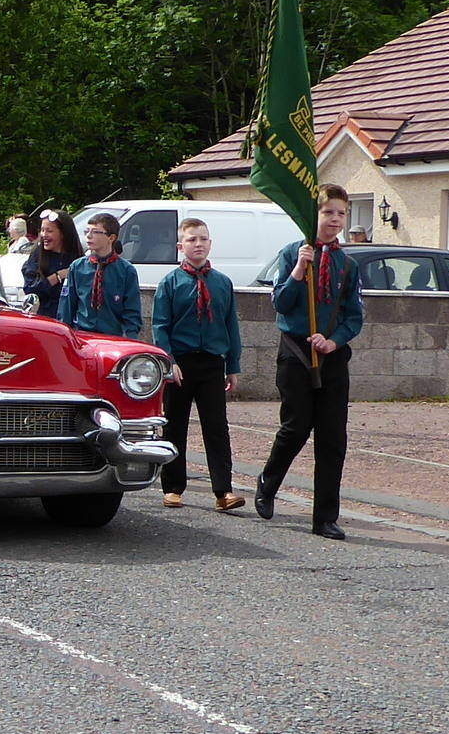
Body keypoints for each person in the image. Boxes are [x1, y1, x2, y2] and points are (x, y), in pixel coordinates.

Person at [255, 184, 366, 540]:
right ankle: (267, 483)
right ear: (312, 216)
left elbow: (354, 315)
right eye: (327, 212)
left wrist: (334, 341)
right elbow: (281, 304)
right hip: (297, 353)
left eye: (340, 213)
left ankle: (324, 517)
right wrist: (300, 269)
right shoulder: (292, 253)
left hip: (331, 356)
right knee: (296, 427)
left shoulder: (346, 264)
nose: (334, 220)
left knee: (333, 437)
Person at [152, 218, 244, 512]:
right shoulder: (170, 283)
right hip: (182, 363)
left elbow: (231, 325)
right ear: (181, 246)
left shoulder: (222, 283)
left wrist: (233, 364)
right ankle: (173, 487)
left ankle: (223, 491)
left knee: (217, 427)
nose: (198, 245)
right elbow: (160, 326)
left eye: (203, 239)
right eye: (192, 240)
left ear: (210, 244)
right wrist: (169, 361)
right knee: (175, 426)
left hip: (212, 363)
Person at [58, 212, 140, 337]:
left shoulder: (126, 270)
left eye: (95, 232)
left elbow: (132, 311)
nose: (89, 236)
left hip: (112, 337)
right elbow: (67, 307)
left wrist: (130, 338)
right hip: (82, 335)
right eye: (87, 231)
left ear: (111, 238)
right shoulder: (77, 267)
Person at [21, 210, 82, 319]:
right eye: (42, 230)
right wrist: (58, 276)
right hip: (44, 319)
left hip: (70, 321)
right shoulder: (37, 256)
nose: (44, 235)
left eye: (49, 231)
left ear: (63, 233)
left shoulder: (77, 259)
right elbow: (30, 289)